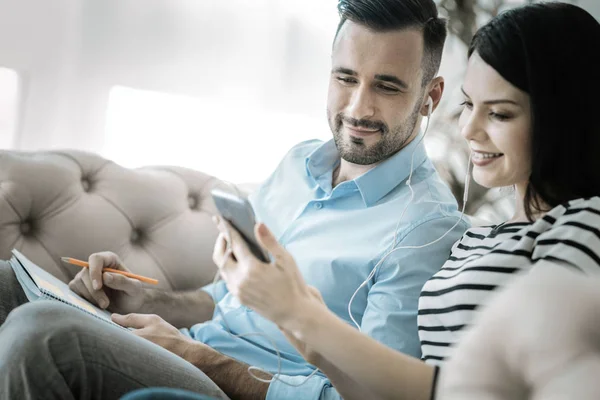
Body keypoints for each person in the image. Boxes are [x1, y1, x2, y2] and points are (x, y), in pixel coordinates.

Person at [0, 1, 468, 399]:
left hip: (230, 385)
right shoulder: (298, 164)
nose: (358, 108)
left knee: (41, 336)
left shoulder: (427, 230)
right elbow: (224, 301)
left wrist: (203, 359)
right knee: (5, 281)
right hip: (182, 349)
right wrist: (145, 298)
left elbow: (368, 394)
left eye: (386, 86)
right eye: (346, 78)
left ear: (431, 96)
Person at [213, 2, 600, 400]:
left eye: (499, 114)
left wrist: (301, 314)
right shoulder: (477, 240)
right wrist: (298, 320)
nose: (467, 130)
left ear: (562, 117)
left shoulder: (584, 225)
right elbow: (375, 389)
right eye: (469, 105)